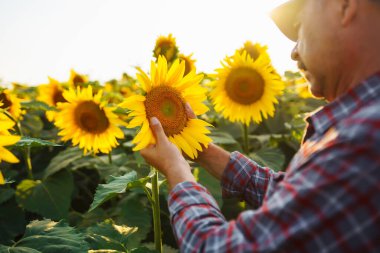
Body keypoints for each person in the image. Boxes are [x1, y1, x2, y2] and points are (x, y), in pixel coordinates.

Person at [141, 0, 380, 252]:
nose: (294, 52)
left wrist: (177, 171)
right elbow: (300, 200)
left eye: (298, 27)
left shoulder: (364, 138)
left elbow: (217, 248)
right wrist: (201, 149)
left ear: (344, 5)